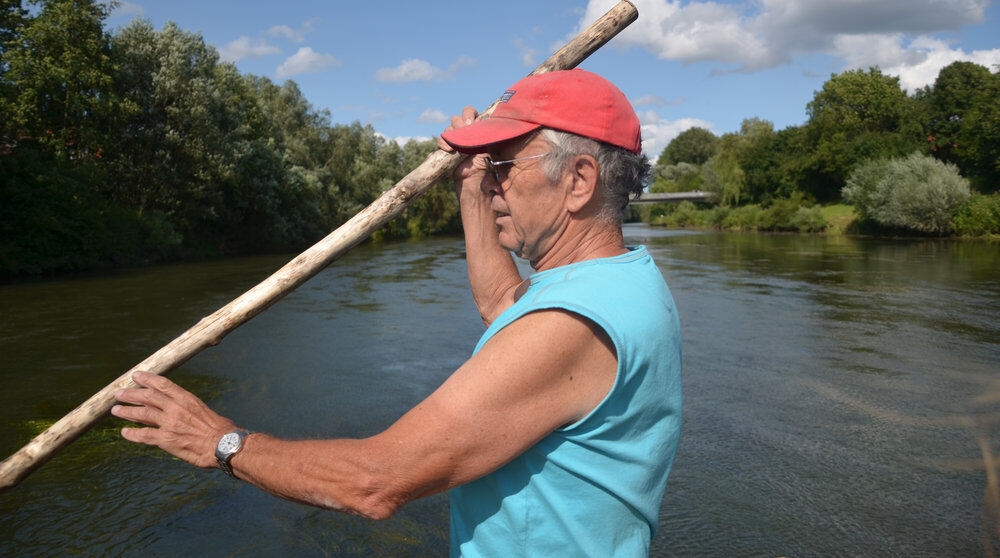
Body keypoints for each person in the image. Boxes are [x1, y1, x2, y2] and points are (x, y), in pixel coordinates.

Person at [112, 68, 682, 557]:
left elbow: (374, 482)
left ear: (579, 180)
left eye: (504, 166)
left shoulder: (568, 325)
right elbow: (500, 305)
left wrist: (221, 443)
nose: (494, 185)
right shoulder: (621, 281)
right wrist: (470, 189)